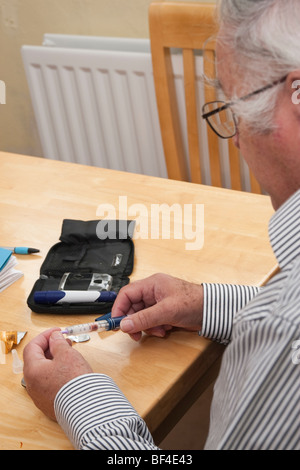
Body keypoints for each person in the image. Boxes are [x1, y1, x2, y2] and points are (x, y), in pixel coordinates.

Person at [23, 0, 300, 450]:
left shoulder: (288, 329)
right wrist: (205, 302)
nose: (238, 145)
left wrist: (76, 398)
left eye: (233, 108)